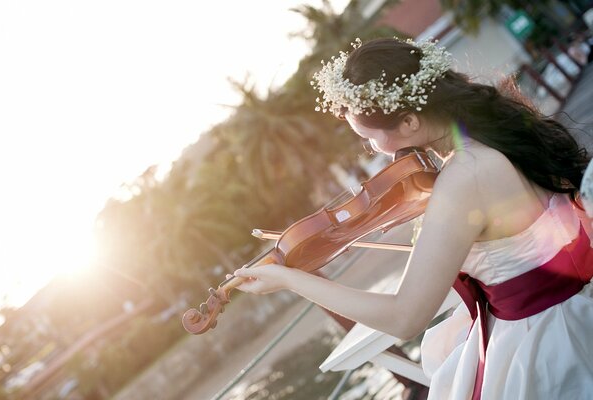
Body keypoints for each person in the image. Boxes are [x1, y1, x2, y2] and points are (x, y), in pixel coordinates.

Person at [230, 37, 593, 399]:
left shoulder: (463, 177)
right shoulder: (499, 132)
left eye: (369, 138)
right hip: (577, 308)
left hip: (543, 343)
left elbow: (405, 318)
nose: (372, 149)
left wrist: (290, 279)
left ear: (408, 122)